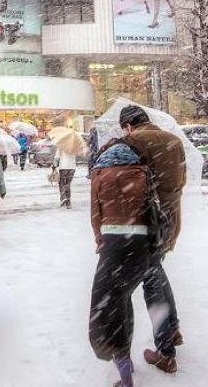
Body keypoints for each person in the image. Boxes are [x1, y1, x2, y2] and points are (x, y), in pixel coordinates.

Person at [118, 104, 186, 374]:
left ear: (128, 126)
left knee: (152, 284)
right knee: (156, 273)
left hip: (148, 223)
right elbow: (181, 180)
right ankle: (173, 330)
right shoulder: (174, 140)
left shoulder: (132, 142)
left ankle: (166, 352)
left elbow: (128, 187)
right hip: (171, 220)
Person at [88, 141, 153, 387]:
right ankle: (127, 363)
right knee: (123, 301)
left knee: (109, 312)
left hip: (113, 246)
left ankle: (125, 376)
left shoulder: (100, 174)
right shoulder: (143, 173)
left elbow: (96, 215)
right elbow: (152, 209)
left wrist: (99, 239)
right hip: (141, 246)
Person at [49, 124, 85, 209]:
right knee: (68, 184)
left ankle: (63, 198)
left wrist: (54, 165)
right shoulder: (75, 145)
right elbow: (78, 155)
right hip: (72, 167)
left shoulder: (61, 146)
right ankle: (68, 202)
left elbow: (57, 157)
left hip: (63, 167)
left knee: (62, 183)